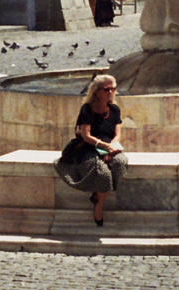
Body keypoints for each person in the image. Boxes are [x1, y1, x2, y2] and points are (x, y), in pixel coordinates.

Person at [54, 74, 128, 226]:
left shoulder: (114, 109)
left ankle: (98, 196)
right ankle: (99, 204)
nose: (110, 92)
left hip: (109, 148)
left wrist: (112, 147)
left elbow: (117, 134)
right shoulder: (87, 109)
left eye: (113, 89)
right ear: (97, 92)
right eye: (106, 89)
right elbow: (86, 135)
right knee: (103, 174)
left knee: (120, 163)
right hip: (89, 148)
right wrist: (105, 147)